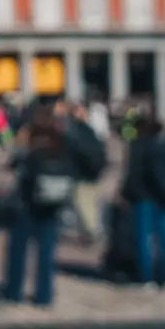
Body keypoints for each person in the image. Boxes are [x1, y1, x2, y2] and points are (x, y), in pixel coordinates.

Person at [1, 105, 75, 306]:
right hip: (52, 204)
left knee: (18, 249)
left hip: (27, 204)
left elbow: (14, 164)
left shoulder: (30, 143)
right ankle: (45, 295)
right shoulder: (61, 141)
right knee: (46, 252)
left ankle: (14, 291)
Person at [120, 115, 165, 290]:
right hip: (163, 195)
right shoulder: (163, 144)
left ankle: (146, 276)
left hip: (143, 195)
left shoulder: (138, 146)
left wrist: (125, 194)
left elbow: (133, 173)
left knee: (143, 237)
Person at [63, 101, 107, 245]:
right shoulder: (89, 130)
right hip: (92, 173)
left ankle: (92, 232)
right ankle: (90, 231)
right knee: (90, 205)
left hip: (82, 174)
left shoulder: (75, 131)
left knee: (84, 205)